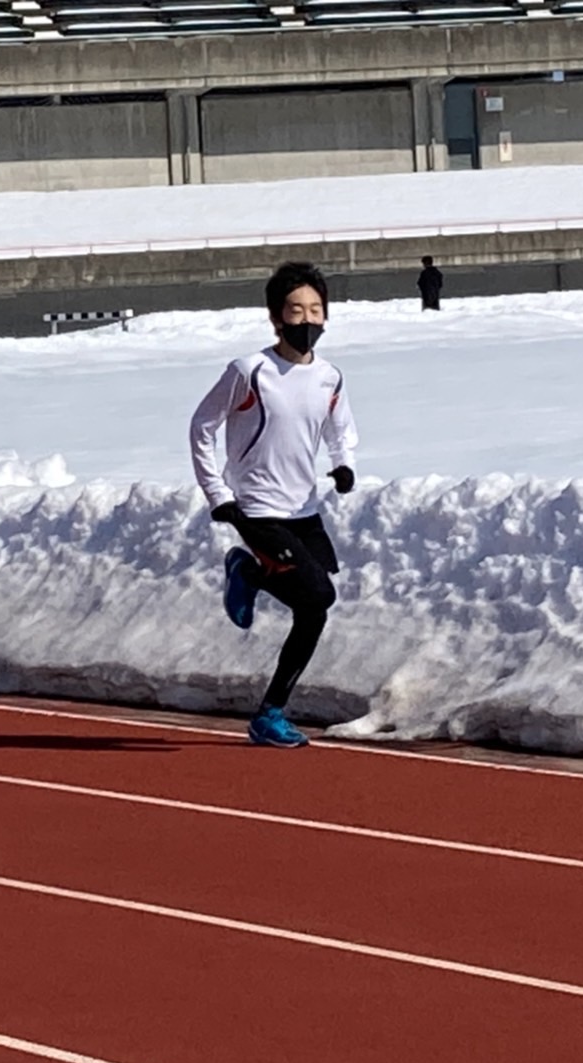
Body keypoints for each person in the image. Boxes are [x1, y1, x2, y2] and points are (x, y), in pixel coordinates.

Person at [189, 261, 359, 748]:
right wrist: (218, 494)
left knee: (315, 608)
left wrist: (343, 464)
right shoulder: (250, 372)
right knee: (317, 596)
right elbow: (202, 427)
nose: (307, 320)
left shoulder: (329, 377)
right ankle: (249, 569)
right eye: (295, 310)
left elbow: (340, 429)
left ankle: (270, 713)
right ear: (275, 317)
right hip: (256, 506)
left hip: (303, 507)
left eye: (315, 310)